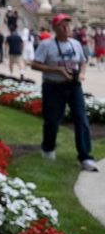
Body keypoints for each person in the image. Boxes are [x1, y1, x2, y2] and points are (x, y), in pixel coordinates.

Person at [30, 13, 99, 172]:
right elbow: (35, 65)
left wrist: (81, 74)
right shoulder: (46, 45)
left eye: (68, 24)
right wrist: (58, 70)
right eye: (62, 24)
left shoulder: (75, 44)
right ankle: (48, 147)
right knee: (52, 120)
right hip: (53, 86)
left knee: (81, 119)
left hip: (74, 86)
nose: (67, 27)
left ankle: (85, 156)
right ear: (55, 28)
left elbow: (82, 62)